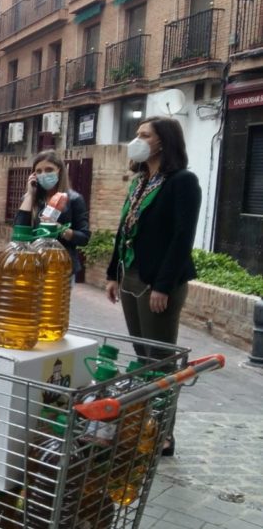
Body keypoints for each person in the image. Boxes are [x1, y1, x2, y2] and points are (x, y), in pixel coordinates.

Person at [106, 116, 201, 457]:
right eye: (138, 133)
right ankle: (146, 425)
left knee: (159, 361)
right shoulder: (141, 181)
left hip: (159, 282)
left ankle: (164, 433)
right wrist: (112, 273)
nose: (138, 139)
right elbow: (124, 229)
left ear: (163, 141)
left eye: (145, 134)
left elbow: (182, 237)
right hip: (131, 275)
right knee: (143, 360)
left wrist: (162, 285)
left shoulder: (182, 182)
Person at [14, 150, 90, 277]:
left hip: (61, 267)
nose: (43, 174)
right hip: (32, 265)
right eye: (38, 171)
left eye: (49, 170)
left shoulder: (74, 199)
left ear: (59, 170)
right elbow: (18, 231)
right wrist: (30, 195)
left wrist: (61, 229)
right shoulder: (30, 199)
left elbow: (84, 237)